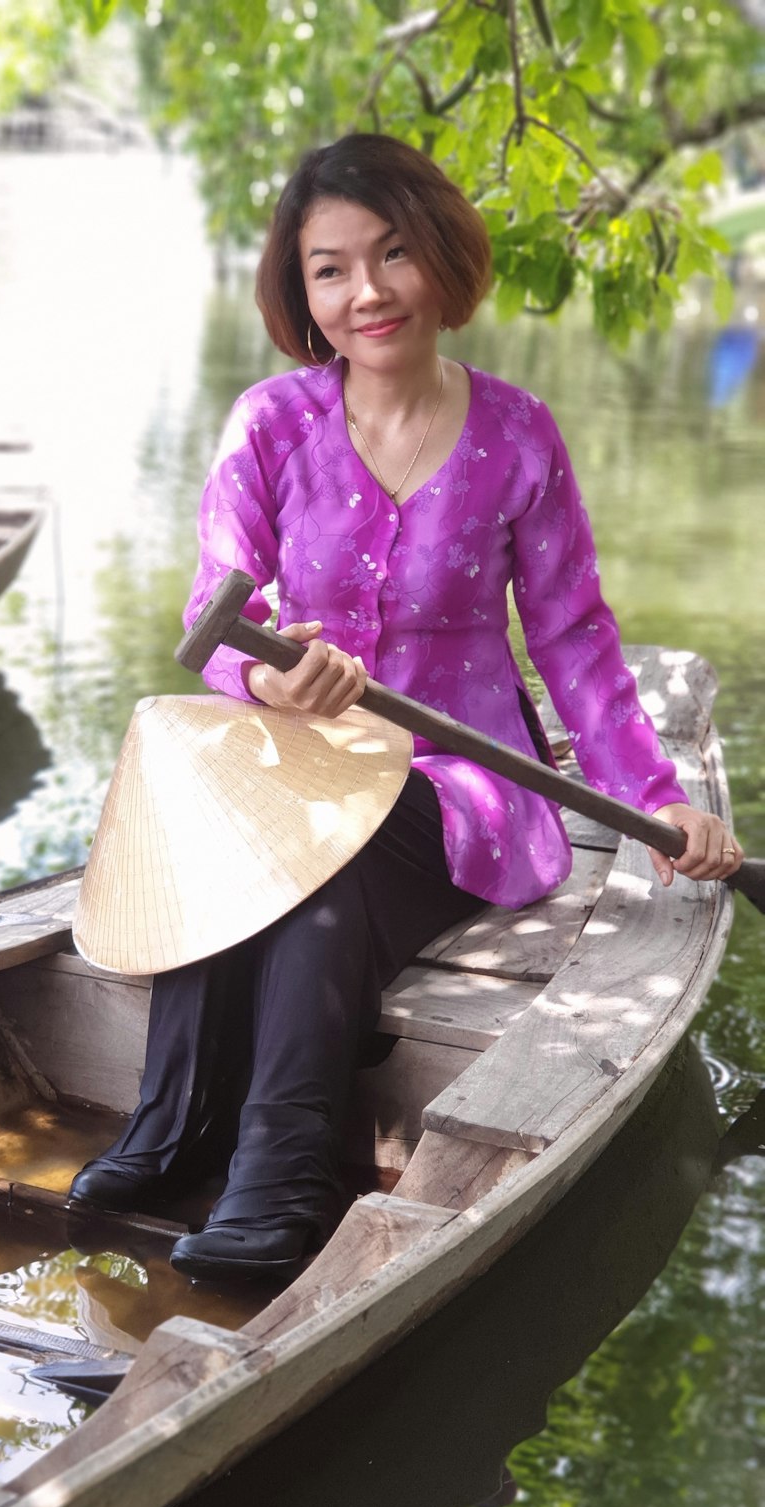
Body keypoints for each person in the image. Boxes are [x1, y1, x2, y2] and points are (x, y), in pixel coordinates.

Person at [68, 133, 743, 1284]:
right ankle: (174, 1123)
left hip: (460, 780)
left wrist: (656, 796)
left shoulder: (519, 435)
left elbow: (574, 637)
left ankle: (281, 1182)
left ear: (441, 255)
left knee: (323, 877)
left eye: (390, 254)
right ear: (300, 286)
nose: (364, 291)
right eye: (328, 267)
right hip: (291, 761)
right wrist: (267, 674)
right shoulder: (268, 426)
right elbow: (215, 608)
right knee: (219, 824)